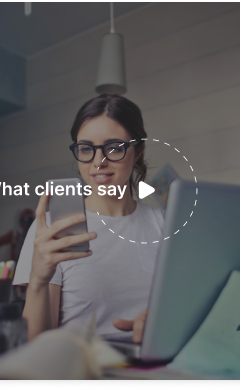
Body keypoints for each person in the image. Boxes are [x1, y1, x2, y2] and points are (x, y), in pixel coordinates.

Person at [13, 94, 165, 343]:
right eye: (86, 149)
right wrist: (38, 280)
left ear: (138, 151)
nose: (98, 162)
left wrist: (162, 321)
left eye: (114, 148)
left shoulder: (164, 224)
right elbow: (36, 345)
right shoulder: (52, 230)